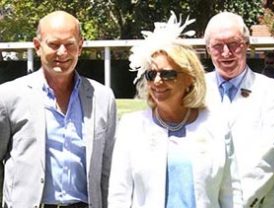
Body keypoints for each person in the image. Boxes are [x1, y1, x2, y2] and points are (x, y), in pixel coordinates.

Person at [108, 11, 242, 208]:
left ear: (189, 78)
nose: (157, 81)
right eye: (151, 74)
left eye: (168, 74)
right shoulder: (131, 127)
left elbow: (231, 195)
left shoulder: (217, 125)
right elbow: (119, 197)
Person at [0, 11, 116, 208]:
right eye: (53, 44)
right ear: (38, 46)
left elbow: (109, 170)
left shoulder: (102, 98)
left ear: (80, 46)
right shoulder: (9, 95)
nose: (62, 52)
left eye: (69, 44)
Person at [204, 12, 274, 208]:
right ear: (208, 48)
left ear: (247, 45)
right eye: (218, 45)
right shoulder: (192, 90)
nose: (226, 52)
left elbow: (269, 158)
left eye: (234, 44)